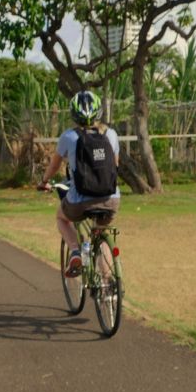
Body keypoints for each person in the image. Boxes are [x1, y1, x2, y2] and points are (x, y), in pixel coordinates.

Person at [36, 90, 120, 278]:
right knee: (101, 233)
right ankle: (109, 289)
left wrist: (44, 182)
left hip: (80, 200)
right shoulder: (111, 135)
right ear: (99, 112)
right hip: (111, 199)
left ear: (73, 114)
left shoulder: (68, 137)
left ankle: (75, 251)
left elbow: (55, 165)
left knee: (61, 217)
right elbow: (115, 165)